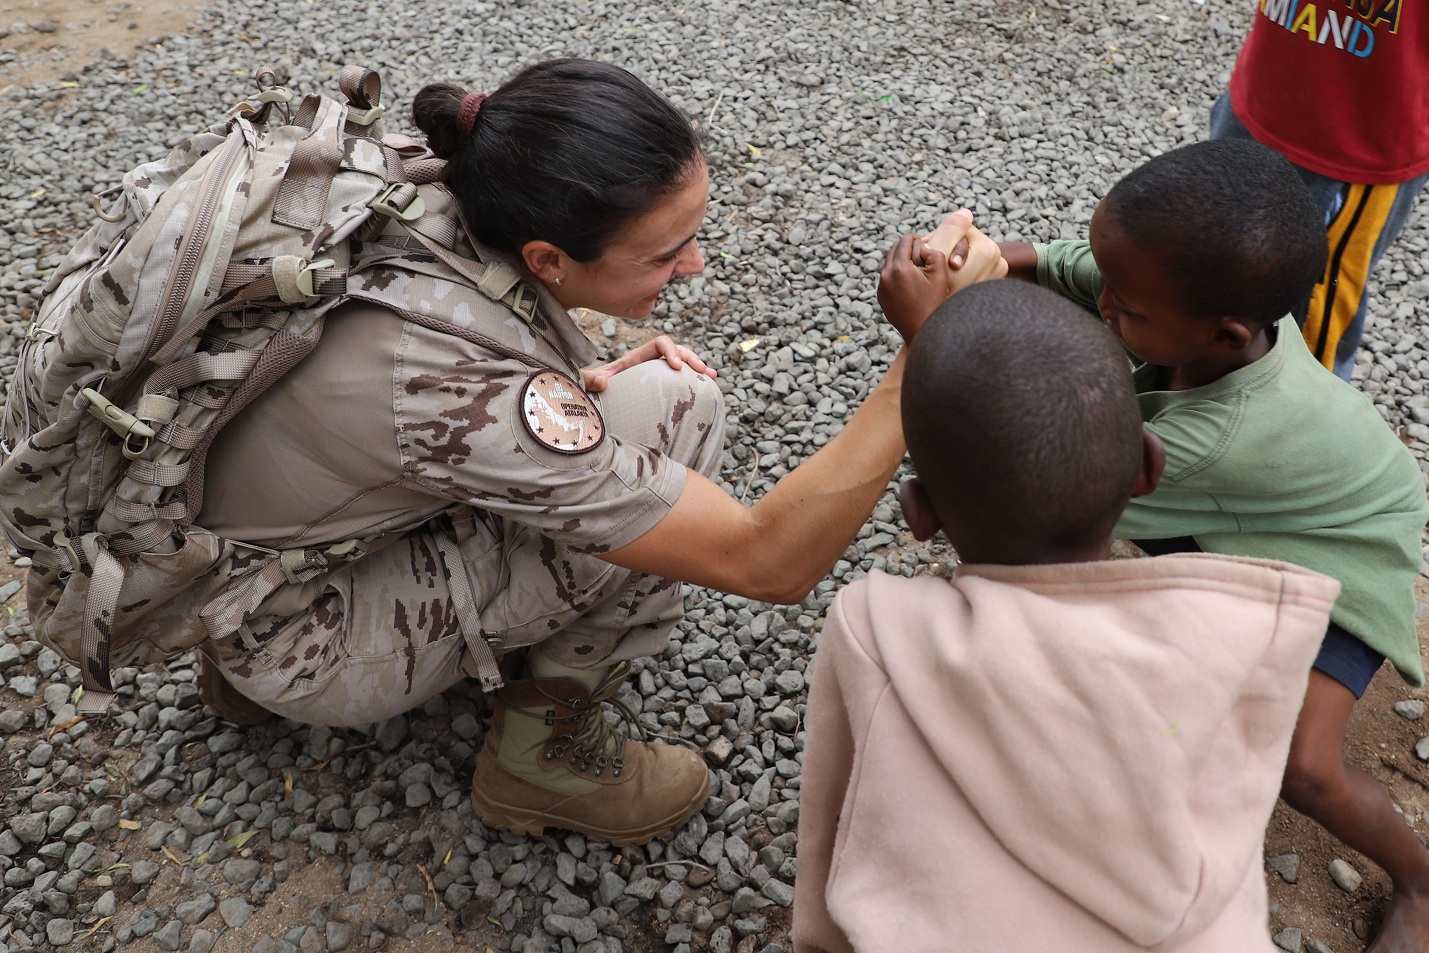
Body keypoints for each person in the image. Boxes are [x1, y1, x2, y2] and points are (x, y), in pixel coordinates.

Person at [193, 57, 1006, 847]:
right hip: (306, 640)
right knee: (677, 409)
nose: (692, 266)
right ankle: (543, 757)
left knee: (622, 414)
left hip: (227, 560)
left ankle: (238, 674)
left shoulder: (430, 195)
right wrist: (923, 355)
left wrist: (561, 380)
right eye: (663, 253)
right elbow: (768, 564)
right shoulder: (458, 389)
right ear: (547, 257)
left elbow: (382, 407)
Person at [790, 281, 1340, 953]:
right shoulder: (1241, 636)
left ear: (919, 513)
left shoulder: (875, 627)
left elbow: (830, 824)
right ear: (1147, 466)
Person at [997, 138, 1429, 952]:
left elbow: (1051, 486)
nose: (1105, 310)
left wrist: (934, 334)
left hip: (1342, 546)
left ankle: (1418, 879)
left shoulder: (1211, 435)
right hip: (1268, 507)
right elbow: (1073, 270)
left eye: (1125, 308)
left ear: (1226, 336)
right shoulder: (1197, 320)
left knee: (1305, 766)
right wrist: (988, 258)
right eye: (1111, 287)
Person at [1208, 1, 1429, 381]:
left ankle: (1294, 428)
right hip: (1261, 89)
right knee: (1213, 259)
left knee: (1311, 321)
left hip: (1357, 146)